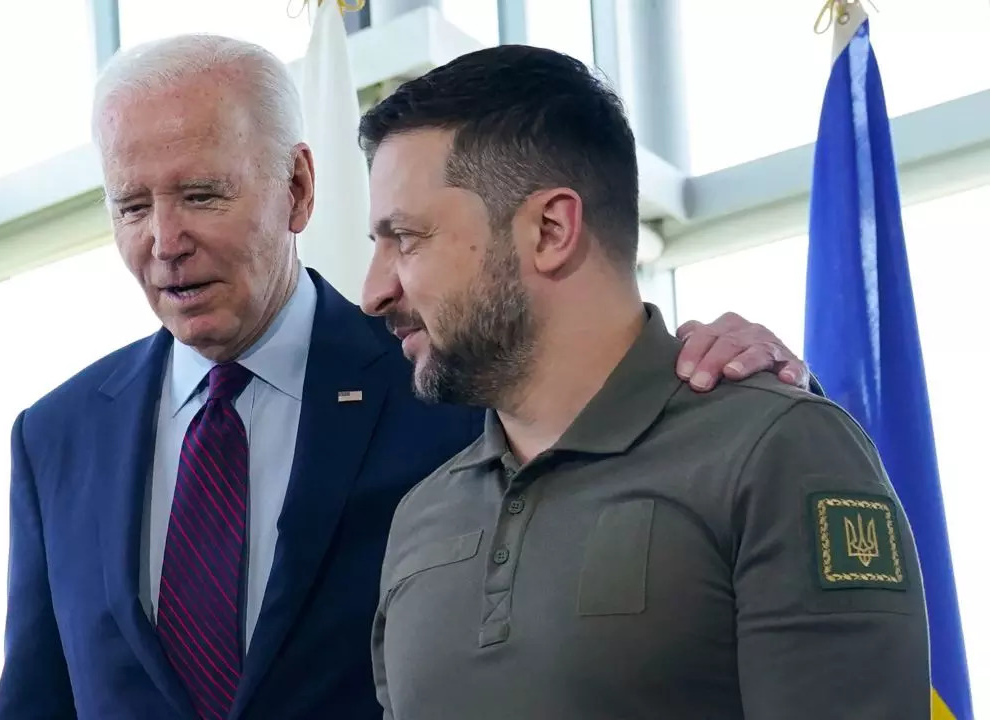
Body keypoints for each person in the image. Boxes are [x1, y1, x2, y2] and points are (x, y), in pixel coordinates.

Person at [0, 34, 815, 720]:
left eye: (202, 195)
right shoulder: (55, 437)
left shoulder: (447, 375)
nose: (164, 241)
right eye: (132, 207)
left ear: (299, 189)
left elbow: (597, 376)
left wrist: (735, 369)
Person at [360, 44, 930, 720]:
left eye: (407, 239)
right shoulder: (421, 515)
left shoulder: (776, 453)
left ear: (550, 230)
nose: (373, 290)